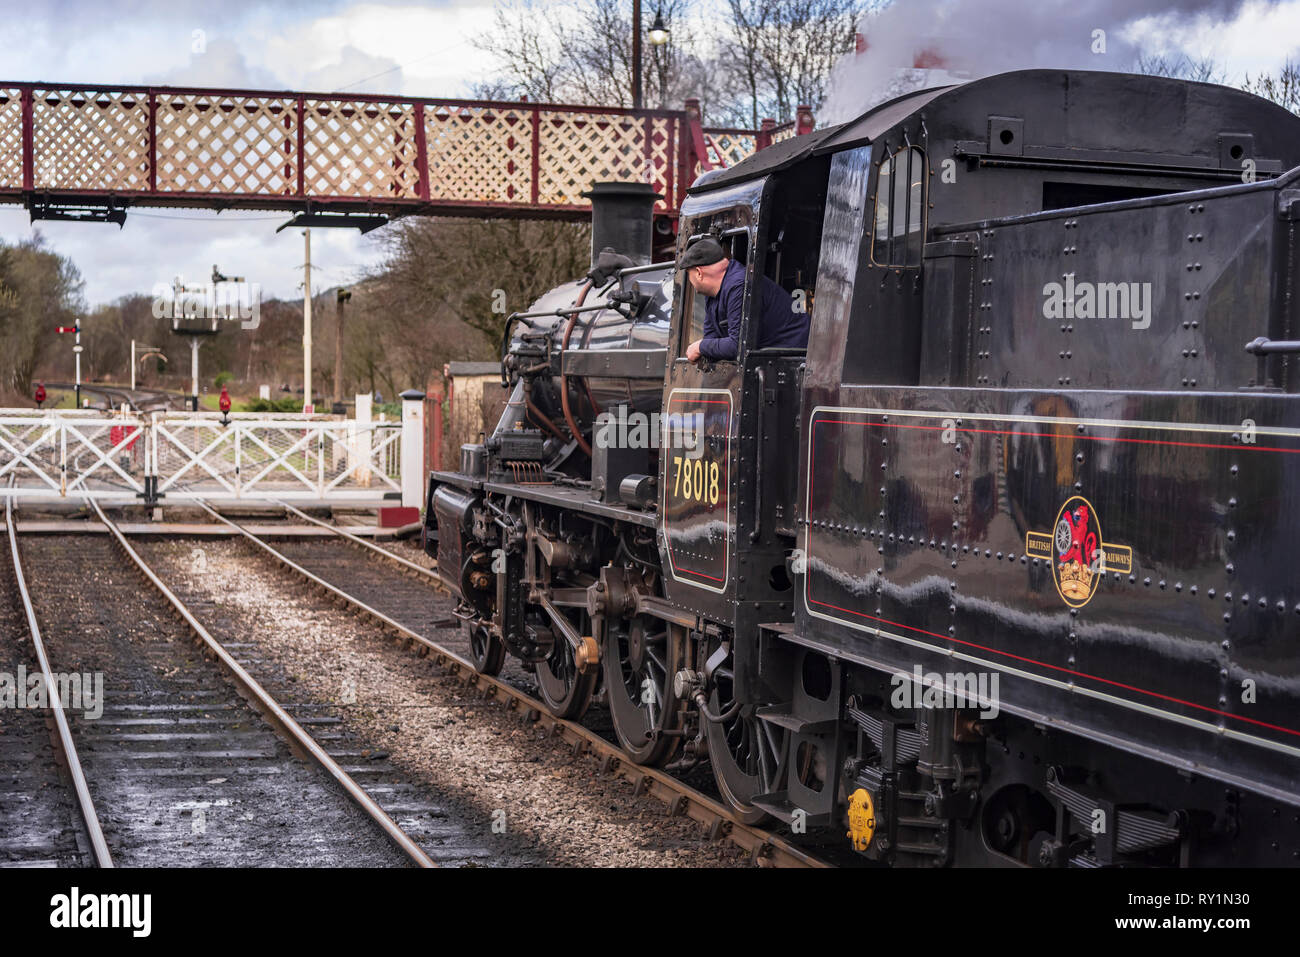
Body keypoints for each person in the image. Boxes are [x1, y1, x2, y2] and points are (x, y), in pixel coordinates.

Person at [678, 237, 809, 362]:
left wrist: (700, 347)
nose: (690, 281)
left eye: (689, 274)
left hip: (798, 355)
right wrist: (706, 348)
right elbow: (711, 338)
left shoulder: (739, 284)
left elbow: (738, 345)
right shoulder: (712, 294)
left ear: (699, 273)